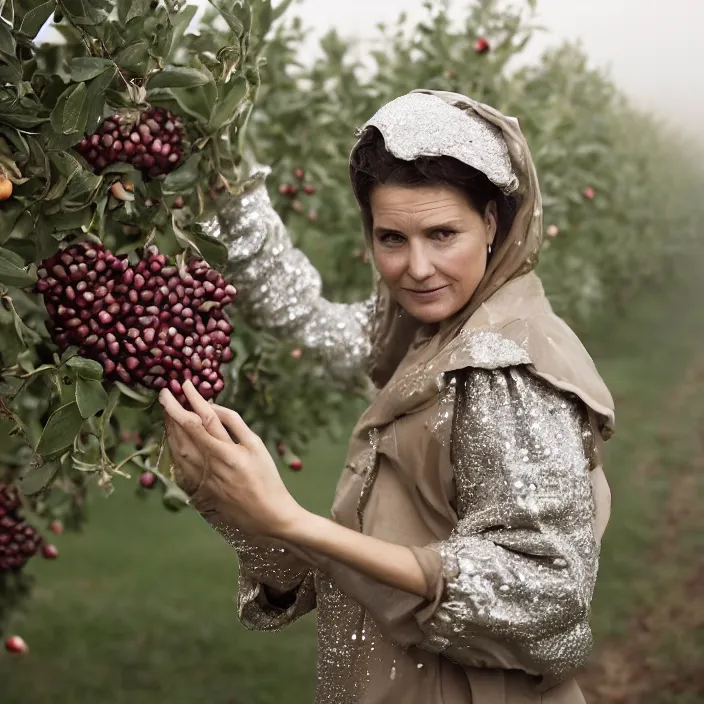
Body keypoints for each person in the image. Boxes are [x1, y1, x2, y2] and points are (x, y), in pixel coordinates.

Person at [158, 90, 615, 704]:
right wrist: (223, 189)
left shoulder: (504, 372)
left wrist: (288, 519)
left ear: (492, 221)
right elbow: (312, 322)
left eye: (442, 233)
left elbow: (547, 600)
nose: (417, 267)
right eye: (391, 238)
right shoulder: (436, 335)